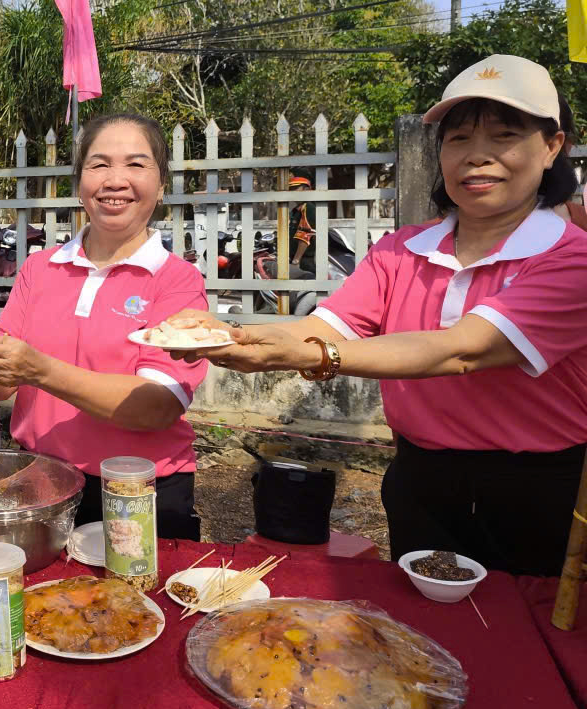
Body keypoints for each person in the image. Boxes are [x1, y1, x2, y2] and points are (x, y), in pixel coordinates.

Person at [167, 54, 587, 577]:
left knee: (525, 639)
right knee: (427, 635)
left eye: (504, 136)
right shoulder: (401, 249)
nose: (477, 157)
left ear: (552, 147)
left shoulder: (572, 259)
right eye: (458, 139)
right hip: (421, 478)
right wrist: (233, 336)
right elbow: (324, 326)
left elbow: (461, 350)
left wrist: (309, 355)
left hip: (537, 489)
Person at [0, 113, 209, 536]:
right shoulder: (41, 268)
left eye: (136, 164)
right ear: (80, 181)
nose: (116, 180)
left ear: (161, 185)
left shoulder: (177, 280)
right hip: (40, 480)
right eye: (100, 164)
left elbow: (158, 405)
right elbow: (3, 385)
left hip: (138, 491)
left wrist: (42, 370)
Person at [287, 175, 317, 273]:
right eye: (291, 189)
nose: (293, 191)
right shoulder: (296, 210)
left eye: (296, 188)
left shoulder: (308, 207)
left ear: (307, 189)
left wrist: (296, 261)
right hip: (296, 258)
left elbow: (305, 235)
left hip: (304, 260)